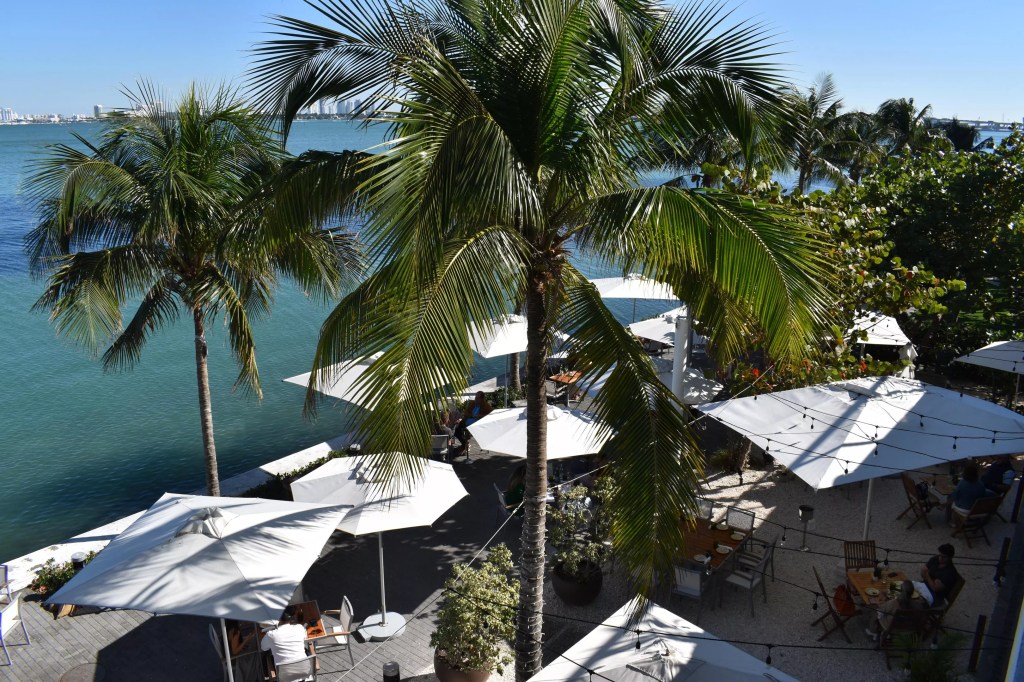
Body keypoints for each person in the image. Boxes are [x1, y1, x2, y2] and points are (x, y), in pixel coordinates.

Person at [866, 545, 959, 641]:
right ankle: (889, 608)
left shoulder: (950, 573)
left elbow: (935, 588)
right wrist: (927, 577)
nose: (940, 558)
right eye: (940, 555)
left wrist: (927, 576)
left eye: (943, 557)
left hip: (932, 596)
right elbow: (923, 573)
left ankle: (894, 620)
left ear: (950, 557)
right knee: (898, 588)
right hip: (922, 585)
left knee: (904, 601)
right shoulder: (936, 559)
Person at [452, 391, 493, 459]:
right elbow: (466, 412)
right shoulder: (472, 403)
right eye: (475, 397)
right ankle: (465, 445)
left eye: (477, 398)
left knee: (462, 432)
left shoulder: (486, 406)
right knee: (456, 431)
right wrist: (471, 415)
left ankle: (464, 446)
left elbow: (491, 415)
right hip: (466, 421)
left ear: (482, 399)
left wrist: (480, 416)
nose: (476, 399)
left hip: (476, 425)